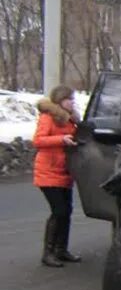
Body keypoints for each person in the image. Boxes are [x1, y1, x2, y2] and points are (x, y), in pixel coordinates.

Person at [33, 85, 82, 267]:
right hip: (48, 171)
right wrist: (60, 140)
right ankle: (48, 252)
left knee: (66, 211)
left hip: (64, 172)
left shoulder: (70, 120)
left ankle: (61, 249)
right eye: (70, 99)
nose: (73, 102)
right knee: (59, 210)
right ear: (61, 100)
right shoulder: (49, 117)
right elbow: (38, 140)